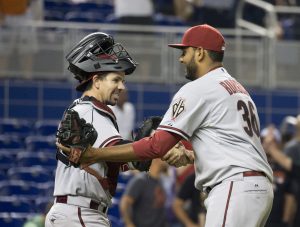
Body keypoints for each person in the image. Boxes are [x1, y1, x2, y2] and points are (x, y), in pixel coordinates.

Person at [57, 24, 274, 227]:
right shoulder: (236, 89)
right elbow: (231, 144)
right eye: (116, 80)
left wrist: (94, 154)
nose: (180, 59)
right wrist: (189, 155)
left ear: (200, 52)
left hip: (234, 187)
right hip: (256, 187)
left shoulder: (200, 88)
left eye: (184, 52)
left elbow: (157, 146)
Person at [45, 32, 140, 227]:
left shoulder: (82, 108)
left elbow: (116, 159)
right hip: (80, 213)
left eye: (123, 81)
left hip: (74, 212)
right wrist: (154, 145)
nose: (122, 87)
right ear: (96, 81)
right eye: (116, 80)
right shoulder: (91, 111)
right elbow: (122, 151)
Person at [120, 158, 169, 227]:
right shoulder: (141, 180)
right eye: (165, 158)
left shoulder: (160, 181)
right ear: (157, 159)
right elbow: (125, 203)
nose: (168, 161)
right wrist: (129, 224)